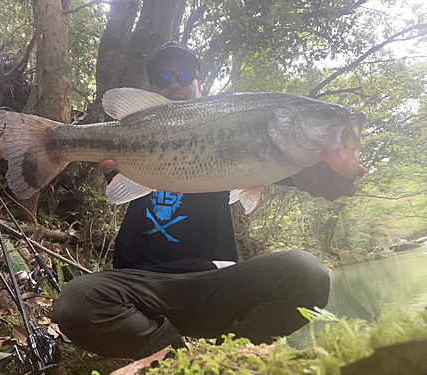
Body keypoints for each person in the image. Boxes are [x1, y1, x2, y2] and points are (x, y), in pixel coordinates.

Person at [51, 41, 364, 359]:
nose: (174, 83)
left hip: (216, 283)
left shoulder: (260, 141)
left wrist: (337, 176)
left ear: (200, 85)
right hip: (142, 287)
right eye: (163, 78)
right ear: (149, 88)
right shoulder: (128, 134)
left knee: (307, 274)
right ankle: (172, 358)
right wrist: (61, 143)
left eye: (184, 75)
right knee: (75, 302)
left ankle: (231, 355)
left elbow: (320, 180)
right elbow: (120, 184)